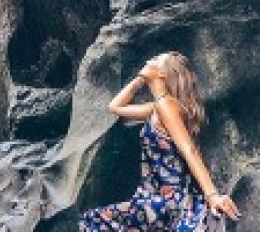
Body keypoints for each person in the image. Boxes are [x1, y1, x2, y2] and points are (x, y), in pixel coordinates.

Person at [78, 51, 241, 231]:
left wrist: (212, 195)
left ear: (163, 73)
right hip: (156, 196)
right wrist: (140, 80)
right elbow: (115, 107)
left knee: (92, 221)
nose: (149, 60)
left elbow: (189, 150)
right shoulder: (159, 107)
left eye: (155, 60)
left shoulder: (166, 105)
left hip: (168, 198)